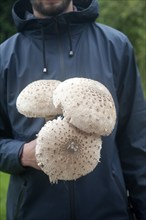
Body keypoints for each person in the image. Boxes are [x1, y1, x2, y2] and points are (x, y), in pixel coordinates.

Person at [0, 0, 145, 219]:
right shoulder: (4, 57)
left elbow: (136, 144)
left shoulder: (115, 45)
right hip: (33, 212)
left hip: (108, 211)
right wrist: (20, 154)